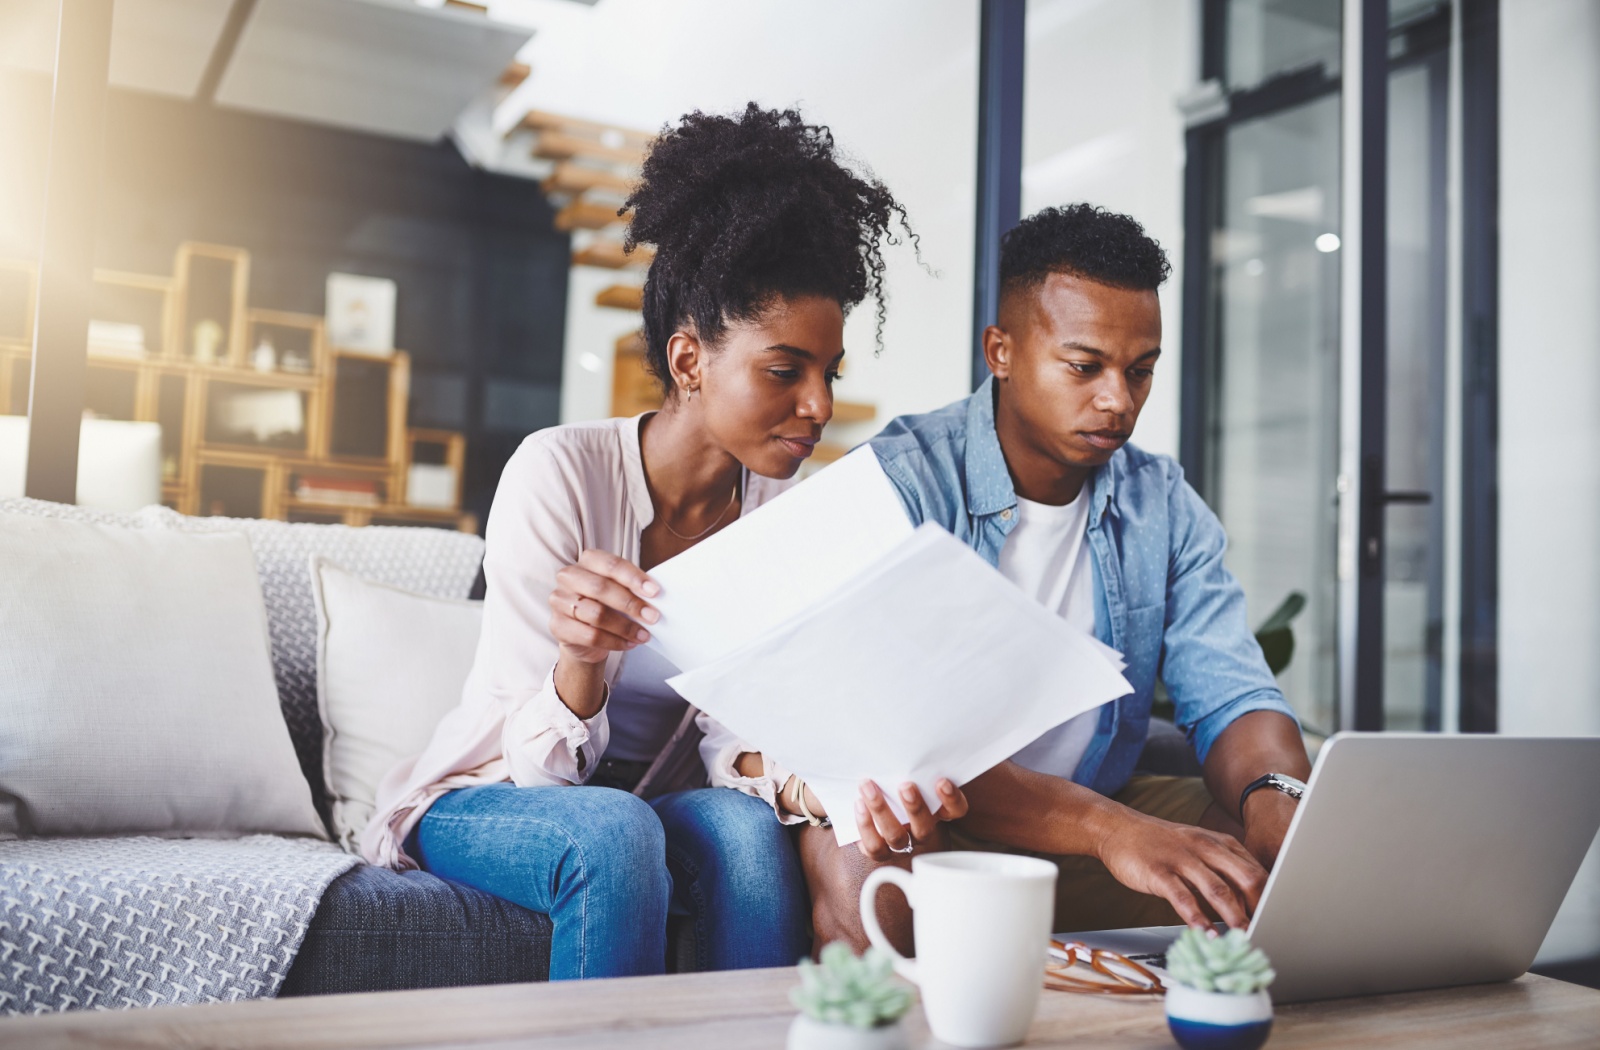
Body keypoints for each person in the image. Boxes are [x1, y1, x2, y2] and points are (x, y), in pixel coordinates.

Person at [361, 104, 949, 979]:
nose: (819, 405)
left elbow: (732, 735)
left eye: (829, 374)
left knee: (749, 841)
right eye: (785, 371)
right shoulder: (556, 473)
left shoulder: (784, 513)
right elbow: (540, 773)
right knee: (615, 831)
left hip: (656, 799)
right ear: (688, 362)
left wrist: (809, 788)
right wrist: (581, 663)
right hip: (494, 792)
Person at [803, 203, 1314, 950]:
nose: (1119, 400)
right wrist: (1113, 833)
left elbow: (1232, 688)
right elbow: (913, 747)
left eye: (1140, 371)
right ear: (1001, 351)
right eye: (1086, 366)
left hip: (1092, 814)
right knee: (866, 859)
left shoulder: (1160, 502)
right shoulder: (900, 485)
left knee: (1280, 849)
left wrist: (1277, 798)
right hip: (936, 821)